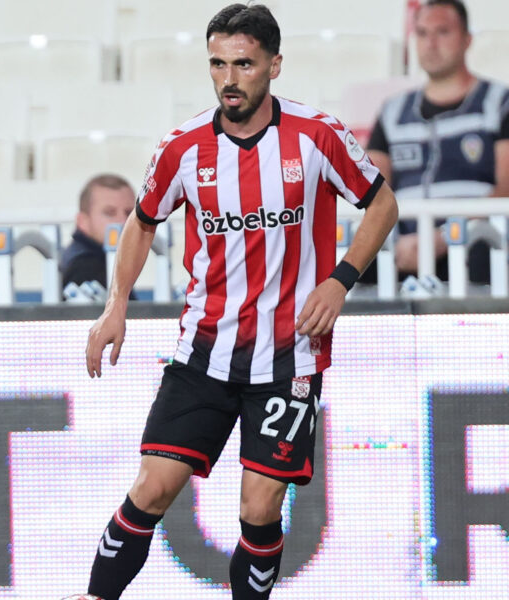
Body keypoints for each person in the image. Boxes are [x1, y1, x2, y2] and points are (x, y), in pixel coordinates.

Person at [75, 4, 398, 600]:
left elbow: (382, 203)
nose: (229, 79)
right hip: (205, 348)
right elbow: (142, 221)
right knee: (151, 488)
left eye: (243, 64)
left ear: (274, 65)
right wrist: (116, 304)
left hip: (290, 353)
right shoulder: (182, 147)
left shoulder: (317, 135)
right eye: (218, 64)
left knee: (260, 504)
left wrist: (339, 280)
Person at [367, 0, 509, 283]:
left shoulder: (498, 102)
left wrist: (444, 237)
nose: (430, 44)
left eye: (443, 32)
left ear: (467, 39)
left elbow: (506, 188)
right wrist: (397, 241)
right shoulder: (393, 112)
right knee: (358, 256)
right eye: (422, 33)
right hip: (404, 248)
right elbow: (370, 189)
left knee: (484, 250)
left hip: (475, 242)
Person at [60, 174, 137, 291]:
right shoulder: (84, 269)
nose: (123, 221)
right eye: (110, 213)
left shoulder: (107, 262)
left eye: (129, 213)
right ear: (82, 221)